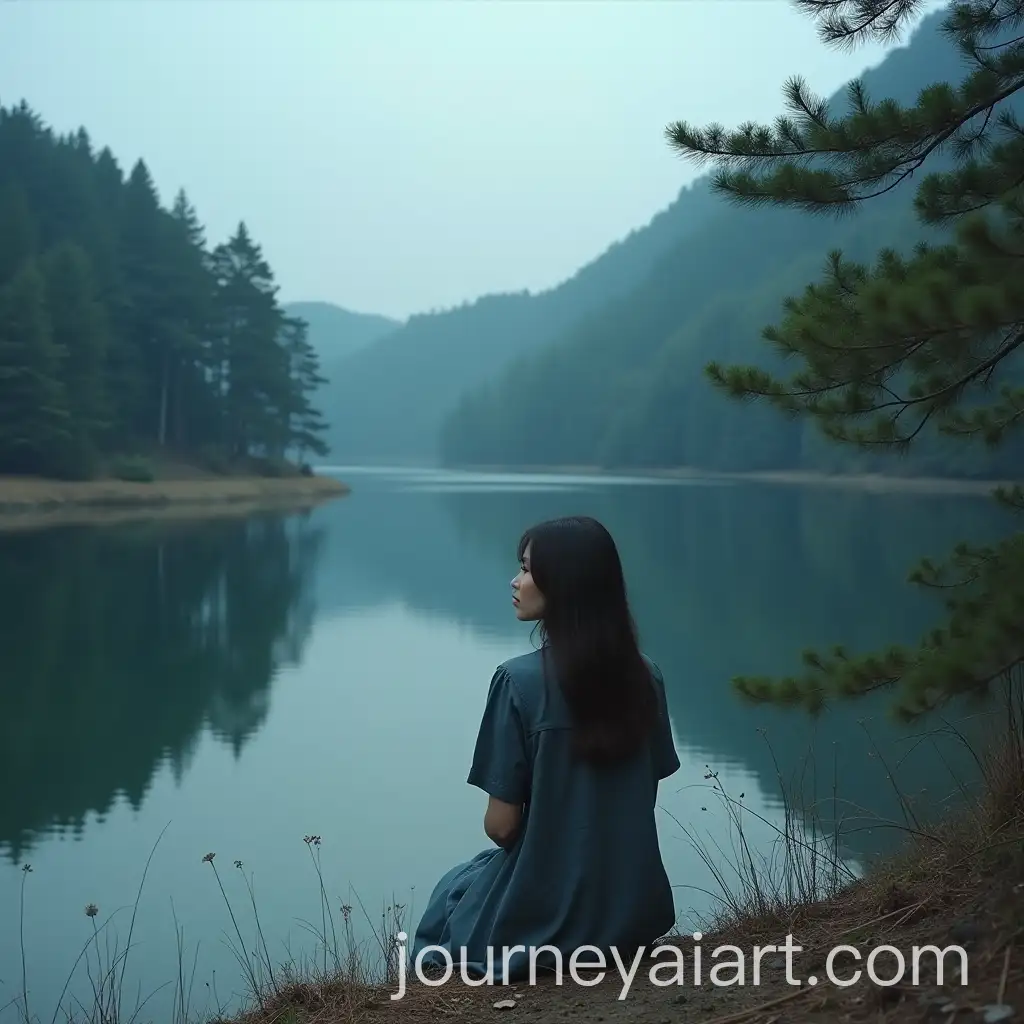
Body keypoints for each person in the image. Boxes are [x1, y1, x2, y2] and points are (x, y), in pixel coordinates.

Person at [410, 515, 680, 983]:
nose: (516, 581)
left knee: (454, 893)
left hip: (542, 911)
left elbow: (501, 826)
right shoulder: (647, 675)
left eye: (529, 570)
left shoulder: (517, 681)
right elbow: (642, 791)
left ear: (566, 583)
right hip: (631, 912)